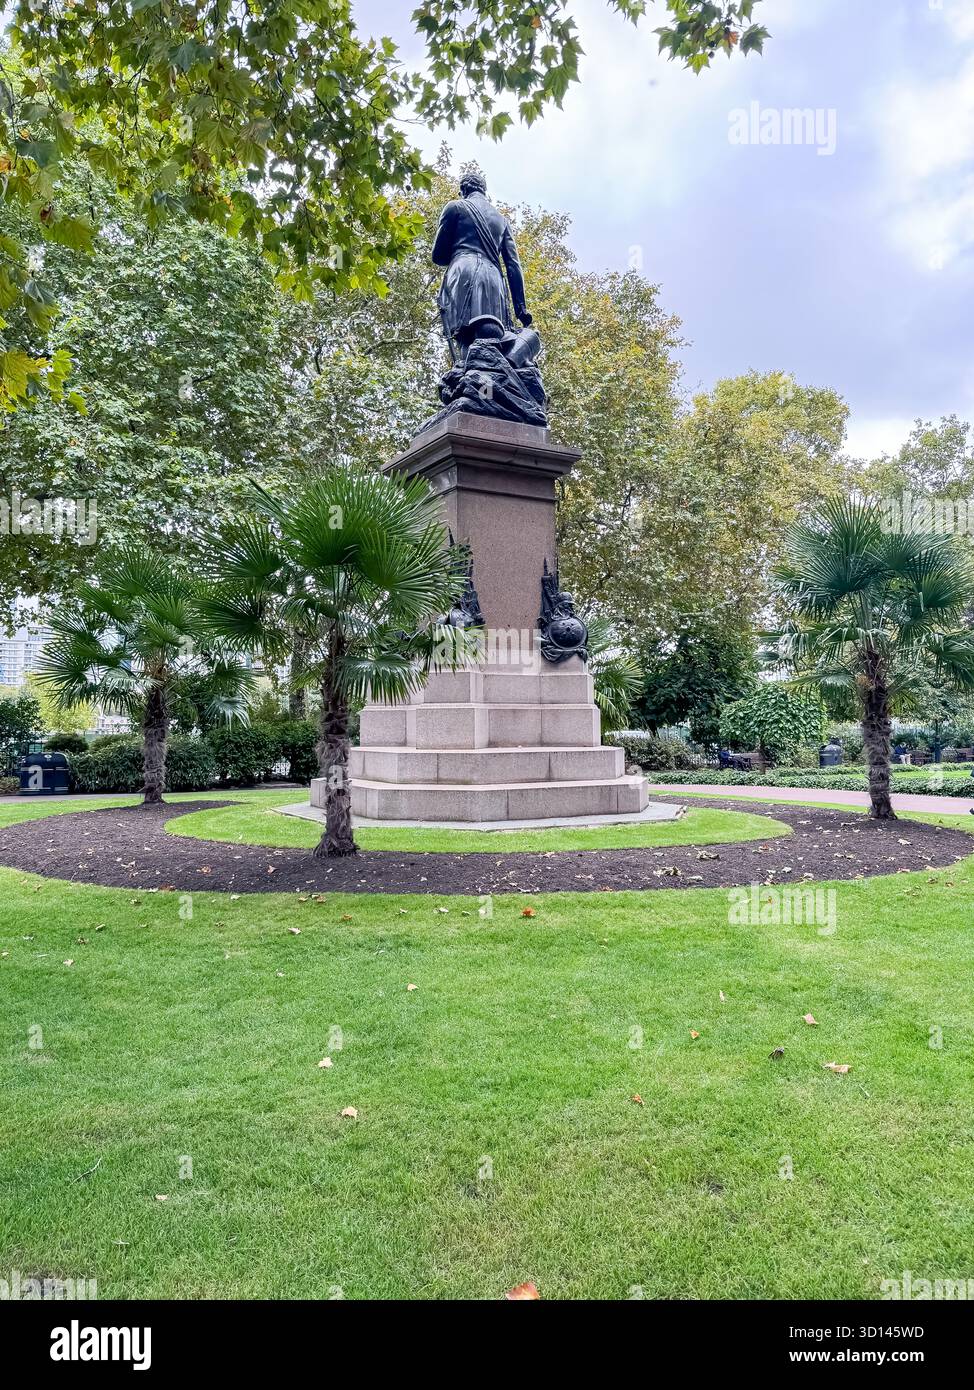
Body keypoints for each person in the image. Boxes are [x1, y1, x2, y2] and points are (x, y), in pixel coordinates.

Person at [432, 169, 532, 354]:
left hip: (463, 271)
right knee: (493, 337)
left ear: (463, 190)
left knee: (466, 337)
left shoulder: (455, 207)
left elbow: (438, 256)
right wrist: (521, 308)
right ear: (484, 191)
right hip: (493, 278)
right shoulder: (502, 220)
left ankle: (470, 376)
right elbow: (513, 265)